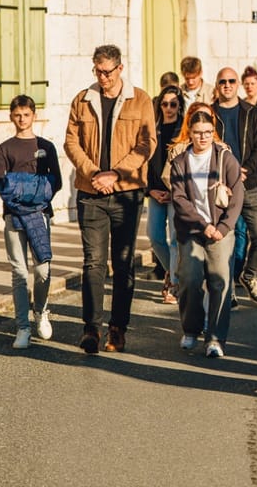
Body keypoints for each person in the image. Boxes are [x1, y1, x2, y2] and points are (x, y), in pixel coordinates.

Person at [64, 44, 156, 354]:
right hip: (91, 193)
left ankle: (118, 327)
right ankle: (91, 329)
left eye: (107, 72)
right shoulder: (82, 100)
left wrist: (115, 173)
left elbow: (147, 144)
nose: (102, 78)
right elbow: (71, 142)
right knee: (93, 263)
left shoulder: (140, 99)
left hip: (126, 193)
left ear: (119, 69)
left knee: (123, 262)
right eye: (97, 71)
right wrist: (94, 173)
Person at [170, 110, 245, 358]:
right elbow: (179, 199)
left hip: (221, 230)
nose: (203, 138)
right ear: (189, 133)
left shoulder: (225, 158)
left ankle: (215, 338)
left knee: (220, 282)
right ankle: (191, 329)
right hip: (192, 230)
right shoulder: (180, 162)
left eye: (208, 133)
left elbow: (238, 194)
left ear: (214, 133)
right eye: (198, 133)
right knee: (190, 279)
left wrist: (222, 228)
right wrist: (204, 226)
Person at [0, 95, 62, 349]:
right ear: (11, 116)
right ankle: (22, 327)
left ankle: (41, 310)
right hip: (12, 214)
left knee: (42, 270)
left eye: (26, 114)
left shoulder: (46, 146)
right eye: (17, 115)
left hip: (40, 214)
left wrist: (24, 188)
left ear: (34, 115)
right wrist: (27, 189)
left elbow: (55, 181)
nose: (22, 119)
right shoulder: (5, 148)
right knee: (19, 272)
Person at [212, 66, 257, 304]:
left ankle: (249, 275)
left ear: (238, 84)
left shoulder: (252, 113)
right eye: (222, 81)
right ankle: (230, 290)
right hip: (221, 187)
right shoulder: (210, 113)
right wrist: (223, 175)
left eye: (231, 81)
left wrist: (245, 170)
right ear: (217, 84)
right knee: (227, 240)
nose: (227, 85)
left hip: (249, 184)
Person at [147, 85, 184, 304]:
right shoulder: (153, 129)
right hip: (154, 191)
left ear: (179, 106)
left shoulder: (183, 132)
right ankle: (170, 271)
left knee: (174, 241)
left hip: (175, 192)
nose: (168, 108)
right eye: (165, 103)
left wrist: (175, 191)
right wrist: (150, 189)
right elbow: (145, 164)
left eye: (173, 104)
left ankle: (174, 283)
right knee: (154, 236)